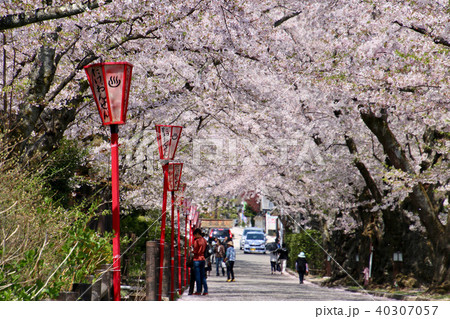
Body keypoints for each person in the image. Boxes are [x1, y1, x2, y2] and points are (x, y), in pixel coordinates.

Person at [192, 228, 208, 295]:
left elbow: (195, 251)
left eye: (195, 235)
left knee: (198, 276)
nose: (195, 237)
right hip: (203, 259)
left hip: (197, 259)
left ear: (197, 234)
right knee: (203, 276)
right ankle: (205, 290)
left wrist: (191, 251)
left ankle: (198, 291)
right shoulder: (204, 240)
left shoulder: (197, 241)